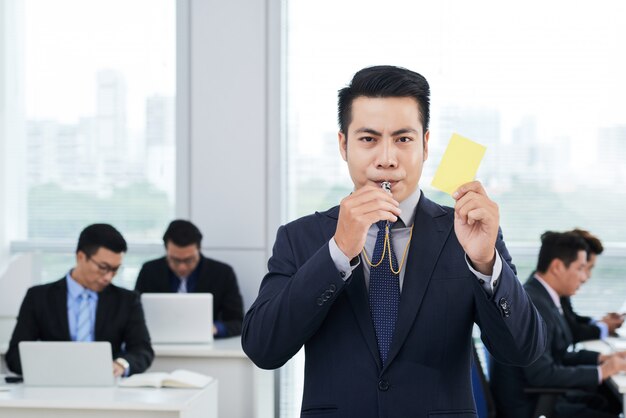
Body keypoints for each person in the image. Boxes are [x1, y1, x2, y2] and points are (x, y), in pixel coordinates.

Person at [241, 65, 546, 417]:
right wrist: (337, 253)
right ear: (343, 145)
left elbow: (524, 351)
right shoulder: (301, 237)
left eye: (403, 139)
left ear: (426, 144)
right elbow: (263, 348)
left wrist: (484, 264)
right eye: (368, 139)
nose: (386, 159)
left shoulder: (467, 231)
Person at [490, 231, 626, 418]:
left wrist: (601, 360)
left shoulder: (544, 297)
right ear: (557, 267)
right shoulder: (535, 304)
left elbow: (557, 356)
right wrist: (604, 371)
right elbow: (542, 374)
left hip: (538, 397)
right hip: (529, 406)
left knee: (606, 400)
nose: (584, 277)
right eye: (580, 268)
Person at [6, 224, 154, 377]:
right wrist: (50, 369)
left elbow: (142, 350)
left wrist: (120, 365)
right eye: (103, 267)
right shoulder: (38, 297)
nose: (108, 277)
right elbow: (15, 355)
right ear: (81, 257)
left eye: (115, 269)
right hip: (53, 385)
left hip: (107, 386)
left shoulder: (127, 300)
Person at [134, 219, 244, 338]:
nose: (182, 267)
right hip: (159, 343)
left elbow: (239, 322)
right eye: (175, 260)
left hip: (207, 346)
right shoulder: (149, 271)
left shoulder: (223, 273)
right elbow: (135, 315)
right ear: (166, 250)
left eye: (189, 260)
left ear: (199, 249)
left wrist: (215, 328)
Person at [560, 228, 623, 342]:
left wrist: (600, 322)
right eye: (586, 268)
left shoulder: (558, 292)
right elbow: (571, 332)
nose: (587, 276)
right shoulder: (542, 297)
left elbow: (571, 319)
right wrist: (605, 327)